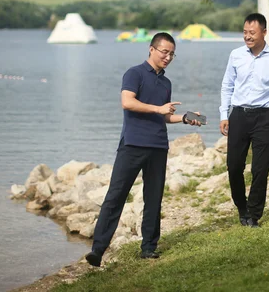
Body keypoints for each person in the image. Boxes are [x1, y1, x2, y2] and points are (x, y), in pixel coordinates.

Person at [85, 33, 202, 266]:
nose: (168, 57)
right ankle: (98, 250)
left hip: (158, 146)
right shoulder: (134, 73)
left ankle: (148, 247)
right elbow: (128, 102)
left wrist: (184, 119)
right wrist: (159, 109)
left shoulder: (166, 83)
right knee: (115, 196)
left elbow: (164, 116)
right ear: (151, 49)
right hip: (133, 144)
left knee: (153, 198)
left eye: (172, 54)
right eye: (164, 52)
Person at [219, 13, 269, 228]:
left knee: (261, 168)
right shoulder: (236, 55)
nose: (247, 37)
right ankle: (242, 208)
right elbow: (227, 86)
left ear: (264, 33)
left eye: (252, 33)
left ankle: (254, 214)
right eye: (245, 32)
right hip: (238, 115)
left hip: (263, 117)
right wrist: (224, 114)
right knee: (234, 166)